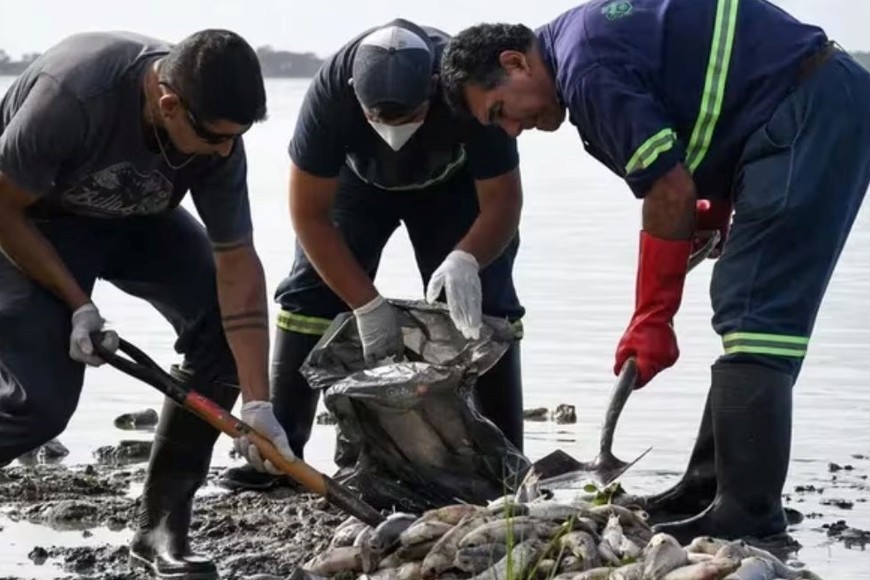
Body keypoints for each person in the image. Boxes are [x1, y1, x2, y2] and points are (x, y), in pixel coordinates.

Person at [439, 0, 870, 544]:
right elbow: (702, 110)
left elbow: (668, 190)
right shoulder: (581, 47)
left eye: (501, 110)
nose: (512, 129)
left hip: (811, 110)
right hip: (805, 105)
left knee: (755, 310)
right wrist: (710, 209)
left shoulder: (586, 71)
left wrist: (652, 317)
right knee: (747, 307)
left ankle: (750, 513)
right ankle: (707, 488)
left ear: (515, 62)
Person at [0, 30, 296, 579]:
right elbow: (3, 208)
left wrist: (258, 403)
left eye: (236, 138)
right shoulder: (73, 96)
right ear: (168, 104)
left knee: (221, 331)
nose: (225, 151)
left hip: (139, 218)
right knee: (36, 405)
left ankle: (161, 530)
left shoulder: (218, 134)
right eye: (215, 138)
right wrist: (78, 305)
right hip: (34, 223)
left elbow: (237, 264)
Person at [218, 18, 526, 491]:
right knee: (310, 294)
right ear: (354, 95)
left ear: (435, 87)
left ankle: (506, 461)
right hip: (357, 186)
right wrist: (366, 304)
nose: (393, 131)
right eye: (379, 119)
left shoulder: (468, 82)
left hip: (454, 187)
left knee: (484, 301)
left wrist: (467, 257)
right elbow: (309, 215)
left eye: (407, 118)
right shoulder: (329, 97)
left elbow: (503, 200)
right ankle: (281, 452)